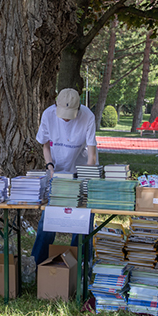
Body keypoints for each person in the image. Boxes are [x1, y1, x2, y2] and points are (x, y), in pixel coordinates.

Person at [31, 88, 97, 264]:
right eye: (63, 114)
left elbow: (92, 155)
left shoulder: (88, 117)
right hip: (58, 174)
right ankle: (38, 263)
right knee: (48, 220)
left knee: (83, 221)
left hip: (80, 171)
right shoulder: (48, 115)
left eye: (70, 114)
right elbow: (45, 146)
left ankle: (81, 266)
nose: (66, 118)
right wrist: (50, 167)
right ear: (56, 105)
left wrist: (85, 179)